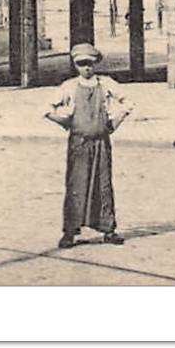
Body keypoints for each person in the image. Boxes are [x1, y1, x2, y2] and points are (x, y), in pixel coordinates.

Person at [45, 42, 132, 248]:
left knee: (103, 185)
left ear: (96, 64)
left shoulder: (106, 84)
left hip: (102, 143)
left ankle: (108, 229)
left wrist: (114, 122)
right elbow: (47, 108)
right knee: (76, 186)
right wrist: (66, 122)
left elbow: (128, 103)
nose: (86, 68)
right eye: (82, 64)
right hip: (79, 144)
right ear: (76, 65)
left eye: (90, 64)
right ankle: (69, 232)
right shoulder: (69, 87)